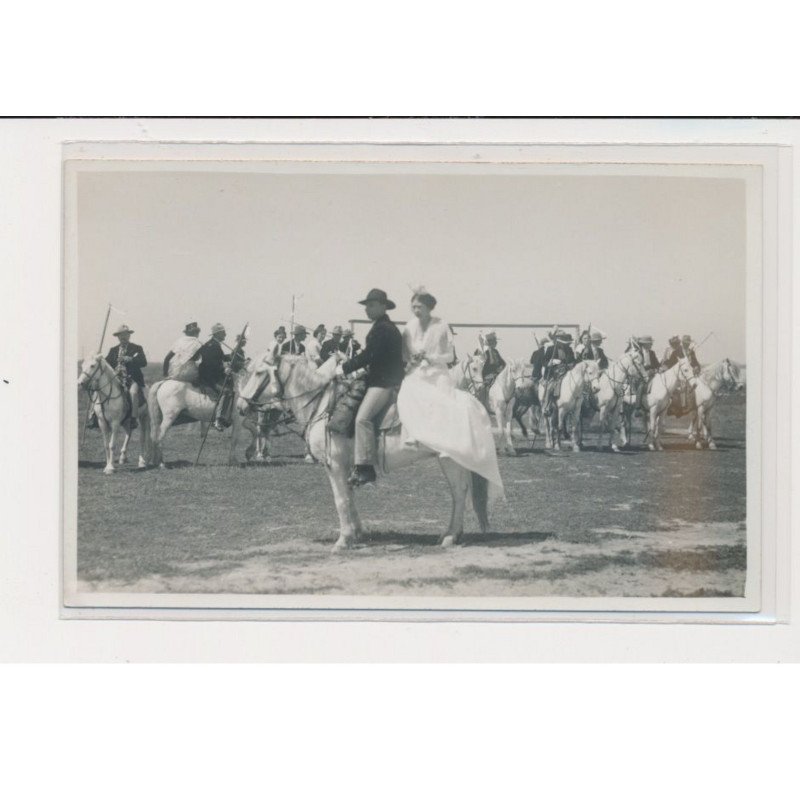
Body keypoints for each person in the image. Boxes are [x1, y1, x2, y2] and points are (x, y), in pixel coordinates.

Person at [396, 289, 504, 498]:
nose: (415, 310)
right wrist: (413, 358)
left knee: (446, 398)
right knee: (406, 390)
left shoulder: (442, 326)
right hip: (418, 371)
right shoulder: (409, 326)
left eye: (419, 306)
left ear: (429, 307)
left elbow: (449, 356)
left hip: (438, 371)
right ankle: (412, 434)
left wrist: (432, 357)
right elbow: (404, 354)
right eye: (413, 307)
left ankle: (448, 441)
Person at [335, 288, 404, 487]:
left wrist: (344, 368)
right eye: (366, 306)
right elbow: (375, 358)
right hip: (378, 379)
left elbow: (369, 355)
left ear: (383, 306)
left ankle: (365, 469)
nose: (367, 309)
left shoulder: (384, 329)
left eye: (371, 305)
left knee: (362, 419)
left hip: (384, 383)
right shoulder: (382, 326)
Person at [105, 324, 148, 425]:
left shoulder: (137, 348)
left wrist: (131, 359)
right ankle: (94, 416)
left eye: (125, 335)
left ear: (129, 336)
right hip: (115, 378)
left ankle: (133, 418)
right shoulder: (113, 350)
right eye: (121, 335)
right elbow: (106, 363)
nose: (123, 337)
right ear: (118, 337)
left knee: (133, 392)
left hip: (131, 379)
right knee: (100, 391)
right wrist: (100, 359)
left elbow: (144, 362)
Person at [540, 328, 576, 415]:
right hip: (554, 373)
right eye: (559, 338)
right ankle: (546, 406)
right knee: (550, 387)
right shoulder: (550, 349)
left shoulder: (569, 349)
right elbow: (543, 361)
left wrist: (569, 364)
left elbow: (573, 361)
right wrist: (551, 362)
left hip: (567, 371)